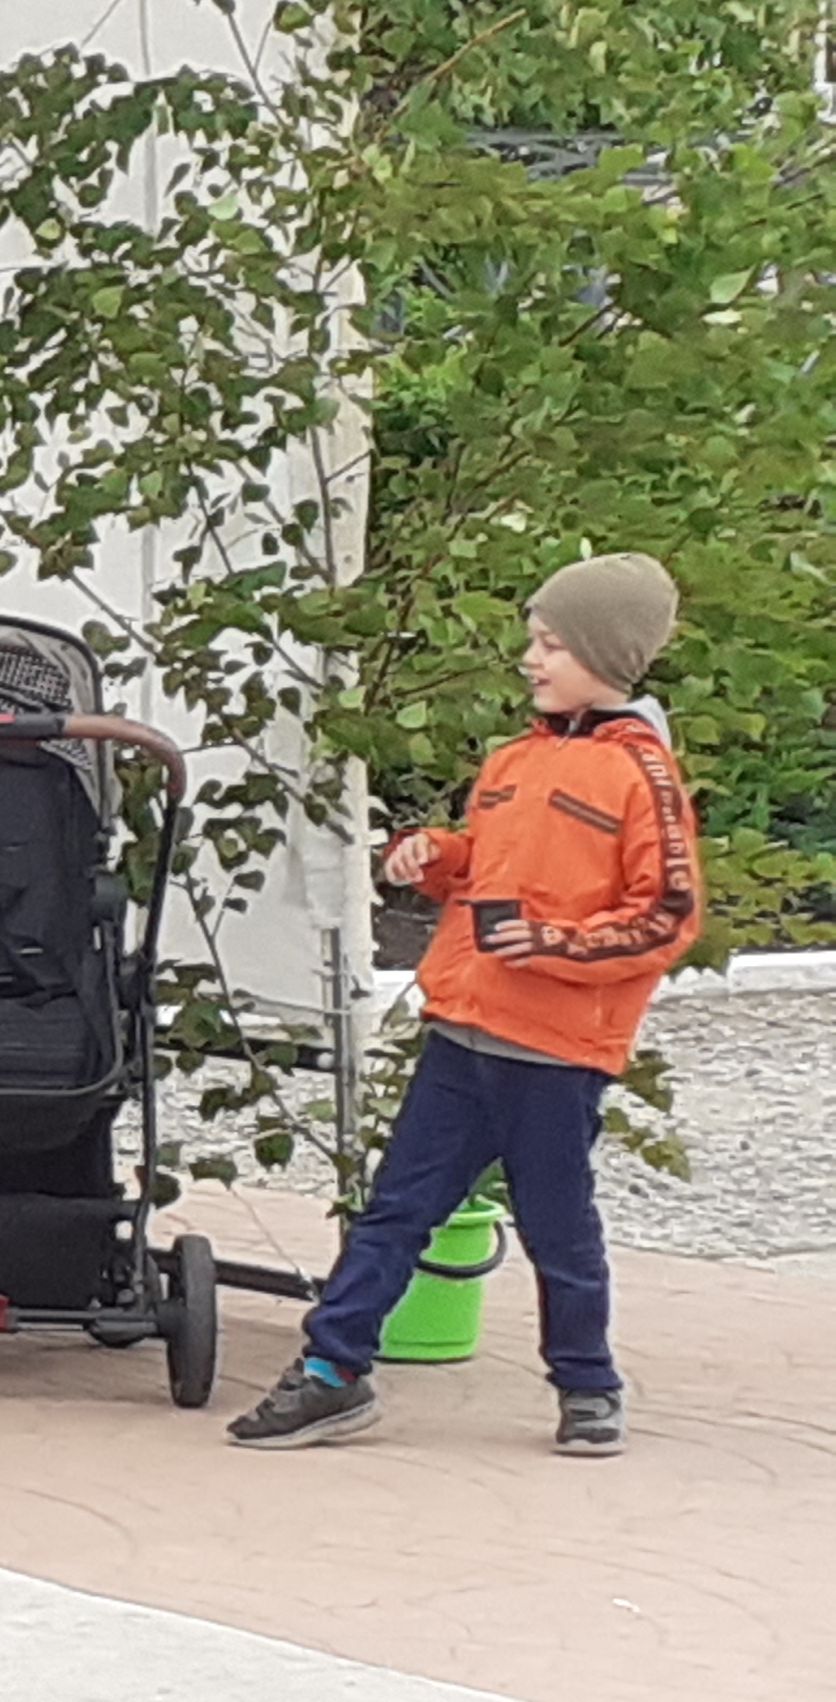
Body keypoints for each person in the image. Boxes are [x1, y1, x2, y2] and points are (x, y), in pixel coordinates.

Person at [231, 552, 697, 1457]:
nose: (532, 660)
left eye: (553, 645)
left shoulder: (644, 775)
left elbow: (666, 917)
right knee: (394, 1211)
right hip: (463, 1034)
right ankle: (332, 1372)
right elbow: (486, 866)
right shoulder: (514, 758)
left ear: (608, 653)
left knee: (560, 1231)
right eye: (534, 641)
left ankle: (588, 1385)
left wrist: (554, 945)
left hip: (557, 1055)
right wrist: (436, 858)